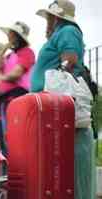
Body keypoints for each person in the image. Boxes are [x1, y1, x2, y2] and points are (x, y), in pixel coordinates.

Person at [32, 1, 95, 198]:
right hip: (55, 104)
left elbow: (70, 58)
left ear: (56, 17)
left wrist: (58, 79)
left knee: (70, 158)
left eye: (48, 18)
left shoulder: (67, 30)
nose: (47, 23)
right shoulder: (61, 33)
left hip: (60, 104)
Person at [0, 22, 35, 133]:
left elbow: (16, 74)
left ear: (18, 37)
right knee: (7, 134)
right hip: (6, 99)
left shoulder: (27, 52)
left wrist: (1, 77)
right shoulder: (9, 55)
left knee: (16, 133)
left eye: (11, 34)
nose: (9, 37)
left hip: (18, 97)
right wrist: (3, 50)